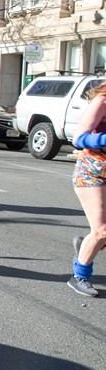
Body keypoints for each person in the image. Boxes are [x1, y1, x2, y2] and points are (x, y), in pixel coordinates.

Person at [66, 81, 106, 297]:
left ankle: (87, 245)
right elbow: (78, 138)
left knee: (100, 234)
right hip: (92, 171)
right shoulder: (102, 101)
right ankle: (79, 276)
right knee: (102, 230)